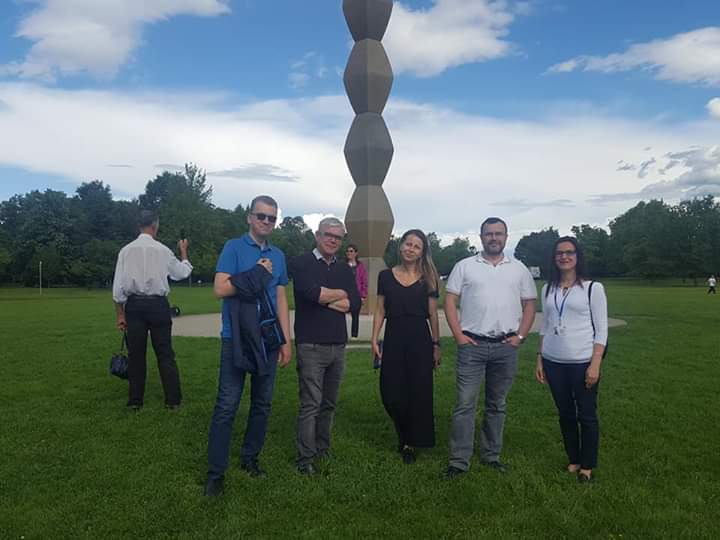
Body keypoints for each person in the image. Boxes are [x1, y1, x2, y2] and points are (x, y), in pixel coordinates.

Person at [203, 195, 292, 497]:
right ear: (249, 217)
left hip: (268, 339)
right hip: (237, 337)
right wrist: (256, 273)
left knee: (262, 404)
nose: (266, 221)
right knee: (227, 405)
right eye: (261, 216)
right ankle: (216, 473)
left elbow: (281, 298)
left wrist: (286, 341)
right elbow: (219, 289)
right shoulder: (234, 247)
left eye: (271, 218)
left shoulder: (278, 255)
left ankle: (250, 457)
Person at [443, 217, 537, 478]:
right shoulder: (465, 266)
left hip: (505, 347)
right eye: (489, 234)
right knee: (465, 404)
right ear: (481, 237)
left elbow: (530, 304)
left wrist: (520, 336)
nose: (493, 238)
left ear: (506, 237)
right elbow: (450, 300)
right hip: (472, 345)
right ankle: (459, 461)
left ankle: (491, 455)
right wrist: (458, 335)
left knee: (497, 404)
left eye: (498, 233)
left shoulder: (518, 269)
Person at [289, 217, 361, 475]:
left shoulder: (344, 269)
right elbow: (311, 293)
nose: (332, 240)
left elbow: (355, 303)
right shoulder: (301, 263)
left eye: (337, 237)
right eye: (328, 234)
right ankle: (305, 458)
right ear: (317, 235)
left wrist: (327, 297)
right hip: (310, 344)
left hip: (337, 345)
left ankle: (322, 448)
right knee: (310, 404)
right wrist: (339, 294)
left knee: (329, 403)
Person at [535, 236, 607, 483]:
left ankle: (587, 464)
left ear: (577, 256)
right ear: (554, 258)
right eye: (559, 253)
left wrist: (595, 363)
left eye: (569, 252)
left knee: (586, 414)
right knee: (565, 413)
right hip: (553, 360)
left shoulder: (592, 288)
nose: (564, 257)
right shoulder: (548, 289)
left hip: (582, 361)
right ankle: (574, 458)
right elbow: (545, 325)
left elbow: (602, 330)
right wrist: (539, 358)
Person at [371, 229, 441, 464]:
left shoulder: (428, 278)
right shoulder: (385, 276)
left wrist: (436, 344)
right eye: (408, 244)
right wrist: (374, 338)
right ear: (400, 246)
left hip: (420, 339)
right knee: (391, 392)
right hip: (394, 337)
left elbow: (433, 315)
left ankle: (410, 441)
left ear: (422, 252)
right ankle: (403, 431)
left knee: (418, 392)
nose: (411, 249)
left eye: (416, 246)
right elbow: (380, 309)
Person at [112, 210, 192, 411]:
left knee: (136, 354)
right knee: (165, 354)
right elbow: (182, 273)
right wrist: (183, 251)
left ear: (139, 226)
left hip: (134, 306)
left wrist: (120, 314)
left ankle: (135, 401)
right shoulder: (163, 250)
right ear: (155, 226)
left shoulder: (125, 251)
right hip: (158, 306)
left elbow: (118, 288)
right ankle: (173, 401)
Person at [346, 243, 368, 338]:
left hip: (356, 295)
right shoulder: (343, 265)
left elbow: (364, 281)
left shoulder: (360, 266)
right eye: (347, 251)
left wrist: (363, 296)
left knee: (355, 317)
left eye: (351, 251)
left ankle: (354, 336)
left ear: (356, 253)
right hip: (345, 294)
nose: (349, 253)